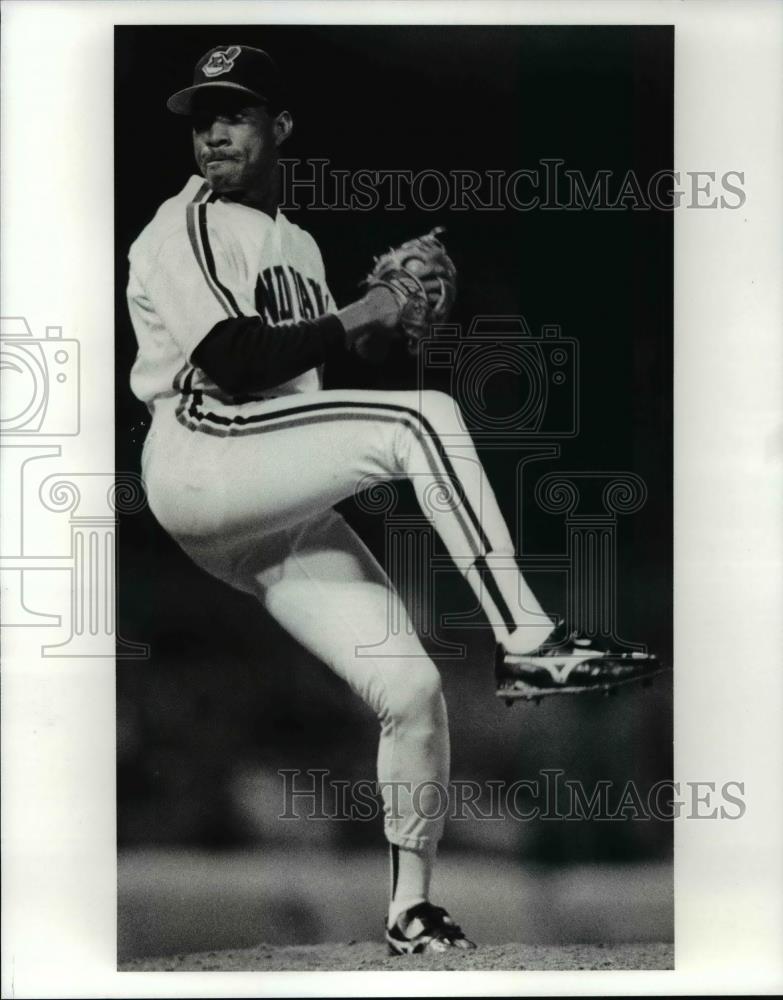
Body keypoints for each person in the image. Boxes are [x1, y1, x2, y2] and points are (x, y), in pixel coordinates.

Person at [126, 44, 661, 955]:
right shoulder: (181, 228)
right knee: (422, 422)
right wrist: (363, 313)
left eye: (237, 112)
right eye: (201, 115)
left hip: (269, 497)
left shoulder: (293, 242)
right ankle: (530, 641)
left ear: (280, 127)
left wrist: (391, 325)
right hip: (201, 458)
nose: (213, 129)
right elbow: (233, 364)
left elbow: (312, 388)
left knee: (410, 687)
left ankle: (410, 910)